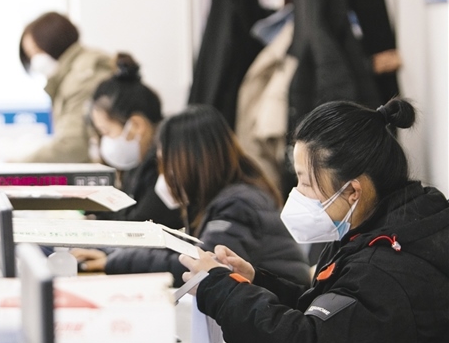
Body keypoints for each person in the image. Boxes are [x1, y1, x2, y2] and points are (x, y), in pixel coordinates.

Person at [180, 98, 449, 343]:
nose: (297, 193)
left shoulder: (392, 266)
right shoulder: (379, 229)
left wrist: (222, 290)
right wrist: (253, 280)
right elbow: (334, 312)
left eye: (306, 183)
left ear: (352, 191)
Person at [74, 105, 309, 288]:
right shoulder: (226, 199)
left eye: (166, 163)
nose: (165, 175)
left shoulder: (238, 204)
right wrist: (111, 254)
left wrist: (116, 261)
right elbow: (181, 251)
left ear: (190, 161)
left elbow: (201, 266)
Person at [85, 52, 182, 229]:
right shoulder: (138, 165)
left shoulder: (168, 166)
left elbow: (139, 225)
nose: (104, 141)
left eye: (106, 132)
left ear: (136, 125)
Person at [18, 11, 114, 163]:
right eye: (30, 56)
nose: (35, 61)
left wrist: (18, 164)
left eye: (36, 51)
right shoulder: (70, 75)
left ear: (53, 41)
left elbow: (72, 146)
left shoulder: (82, 77)